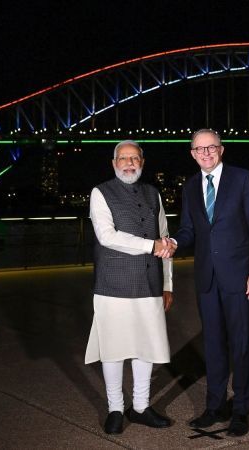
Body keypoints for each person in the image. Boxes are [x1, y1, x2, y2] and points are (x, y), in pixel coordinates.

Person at [170, 129, 249, 436]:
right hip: (207, 278)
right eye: (200, 149)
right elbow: (189, 230)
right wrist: (173, 241)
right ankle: (214, 406)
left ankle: (240, 409)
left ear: (221, 149)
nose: (206, 153)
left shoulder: (242, 179)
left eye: (211, 147)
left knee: (240, 345)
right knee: (212, 345)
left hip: (239, 277)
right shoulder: (189, 187)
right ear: (192, 154)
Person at [84, 140, 177, 435]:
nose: (129, 162)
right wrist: (151, 246)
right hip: (113, 282)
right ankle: (114, 408)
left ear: (142, 162)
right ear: (113, 164)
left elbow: (165, 237)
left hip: (149, 282)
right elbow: (107, 236)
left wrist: (167, 283)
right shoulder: (100, 192)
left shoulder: (153, 193)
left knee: (145, 346)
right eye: (123, 158)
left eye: (134, 158)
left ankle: (140, 407)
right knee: (113, 348)